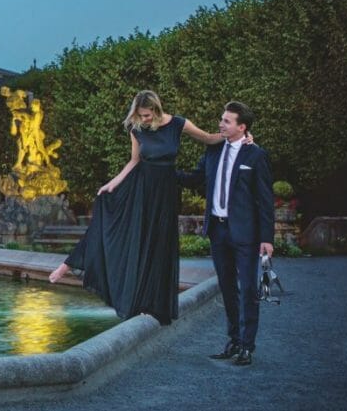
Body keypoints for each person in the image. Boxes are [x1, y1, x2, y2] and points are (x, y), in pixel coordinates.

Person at [48, 90, 246, 325]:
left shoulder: (178, 124)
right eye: (140, 115)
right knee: (124, 231)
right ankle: (70, 265)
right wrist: (113, 183)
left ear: (156, 109)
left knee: (161, 245)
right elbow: (134, 161)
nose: (144, 119)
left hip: (167, 192)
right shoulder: (137, 130)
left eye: (147, 114)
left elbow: (209, 138)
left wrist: (242, 138)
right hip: (141, 189)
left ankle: (155, 305)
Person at [178, 101, 274, 365]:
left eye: (226, 121)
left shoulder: (255, 155)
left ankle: (247, 346)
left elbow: (265, 199)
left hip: (245, 233)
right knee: (227, 288)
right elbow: (195, 178)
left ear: (241, 127)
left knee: (248, 289)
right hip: (218, 232)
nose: (220, 124)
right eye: (221, 119)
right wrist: (162, 171)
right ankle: (233, 340)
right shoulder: (213, 150)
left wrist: (267, 238)